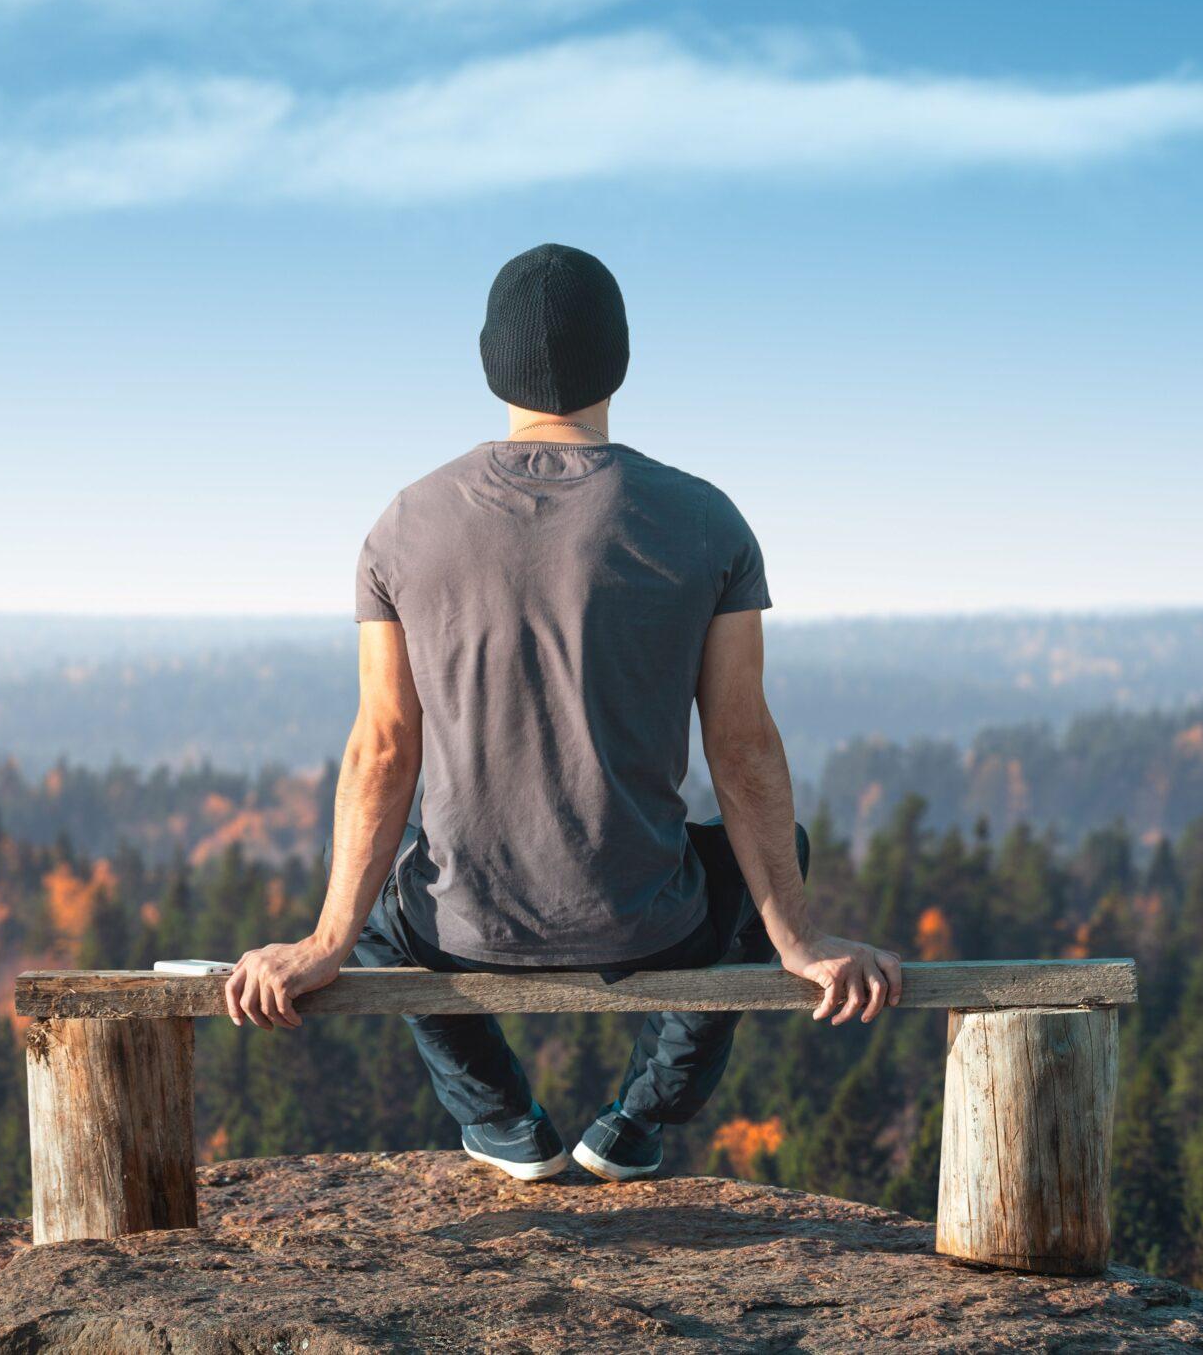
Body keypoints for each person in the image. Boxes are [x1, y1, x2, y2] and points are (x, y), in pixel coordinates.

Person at [225, 243, 902, 1182]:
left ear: (488, 359)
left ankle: (502, 1118)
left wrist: (325, 938)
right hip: (647, 921)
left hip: (460, 924)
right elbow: (742, 746)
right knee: (773, 862)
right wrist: (797, 938)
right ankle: (638, 1119)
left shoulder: (402, 523)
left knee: (380, 914)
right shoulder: (705, 520)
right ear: (619, 357)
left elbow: (384, 748)